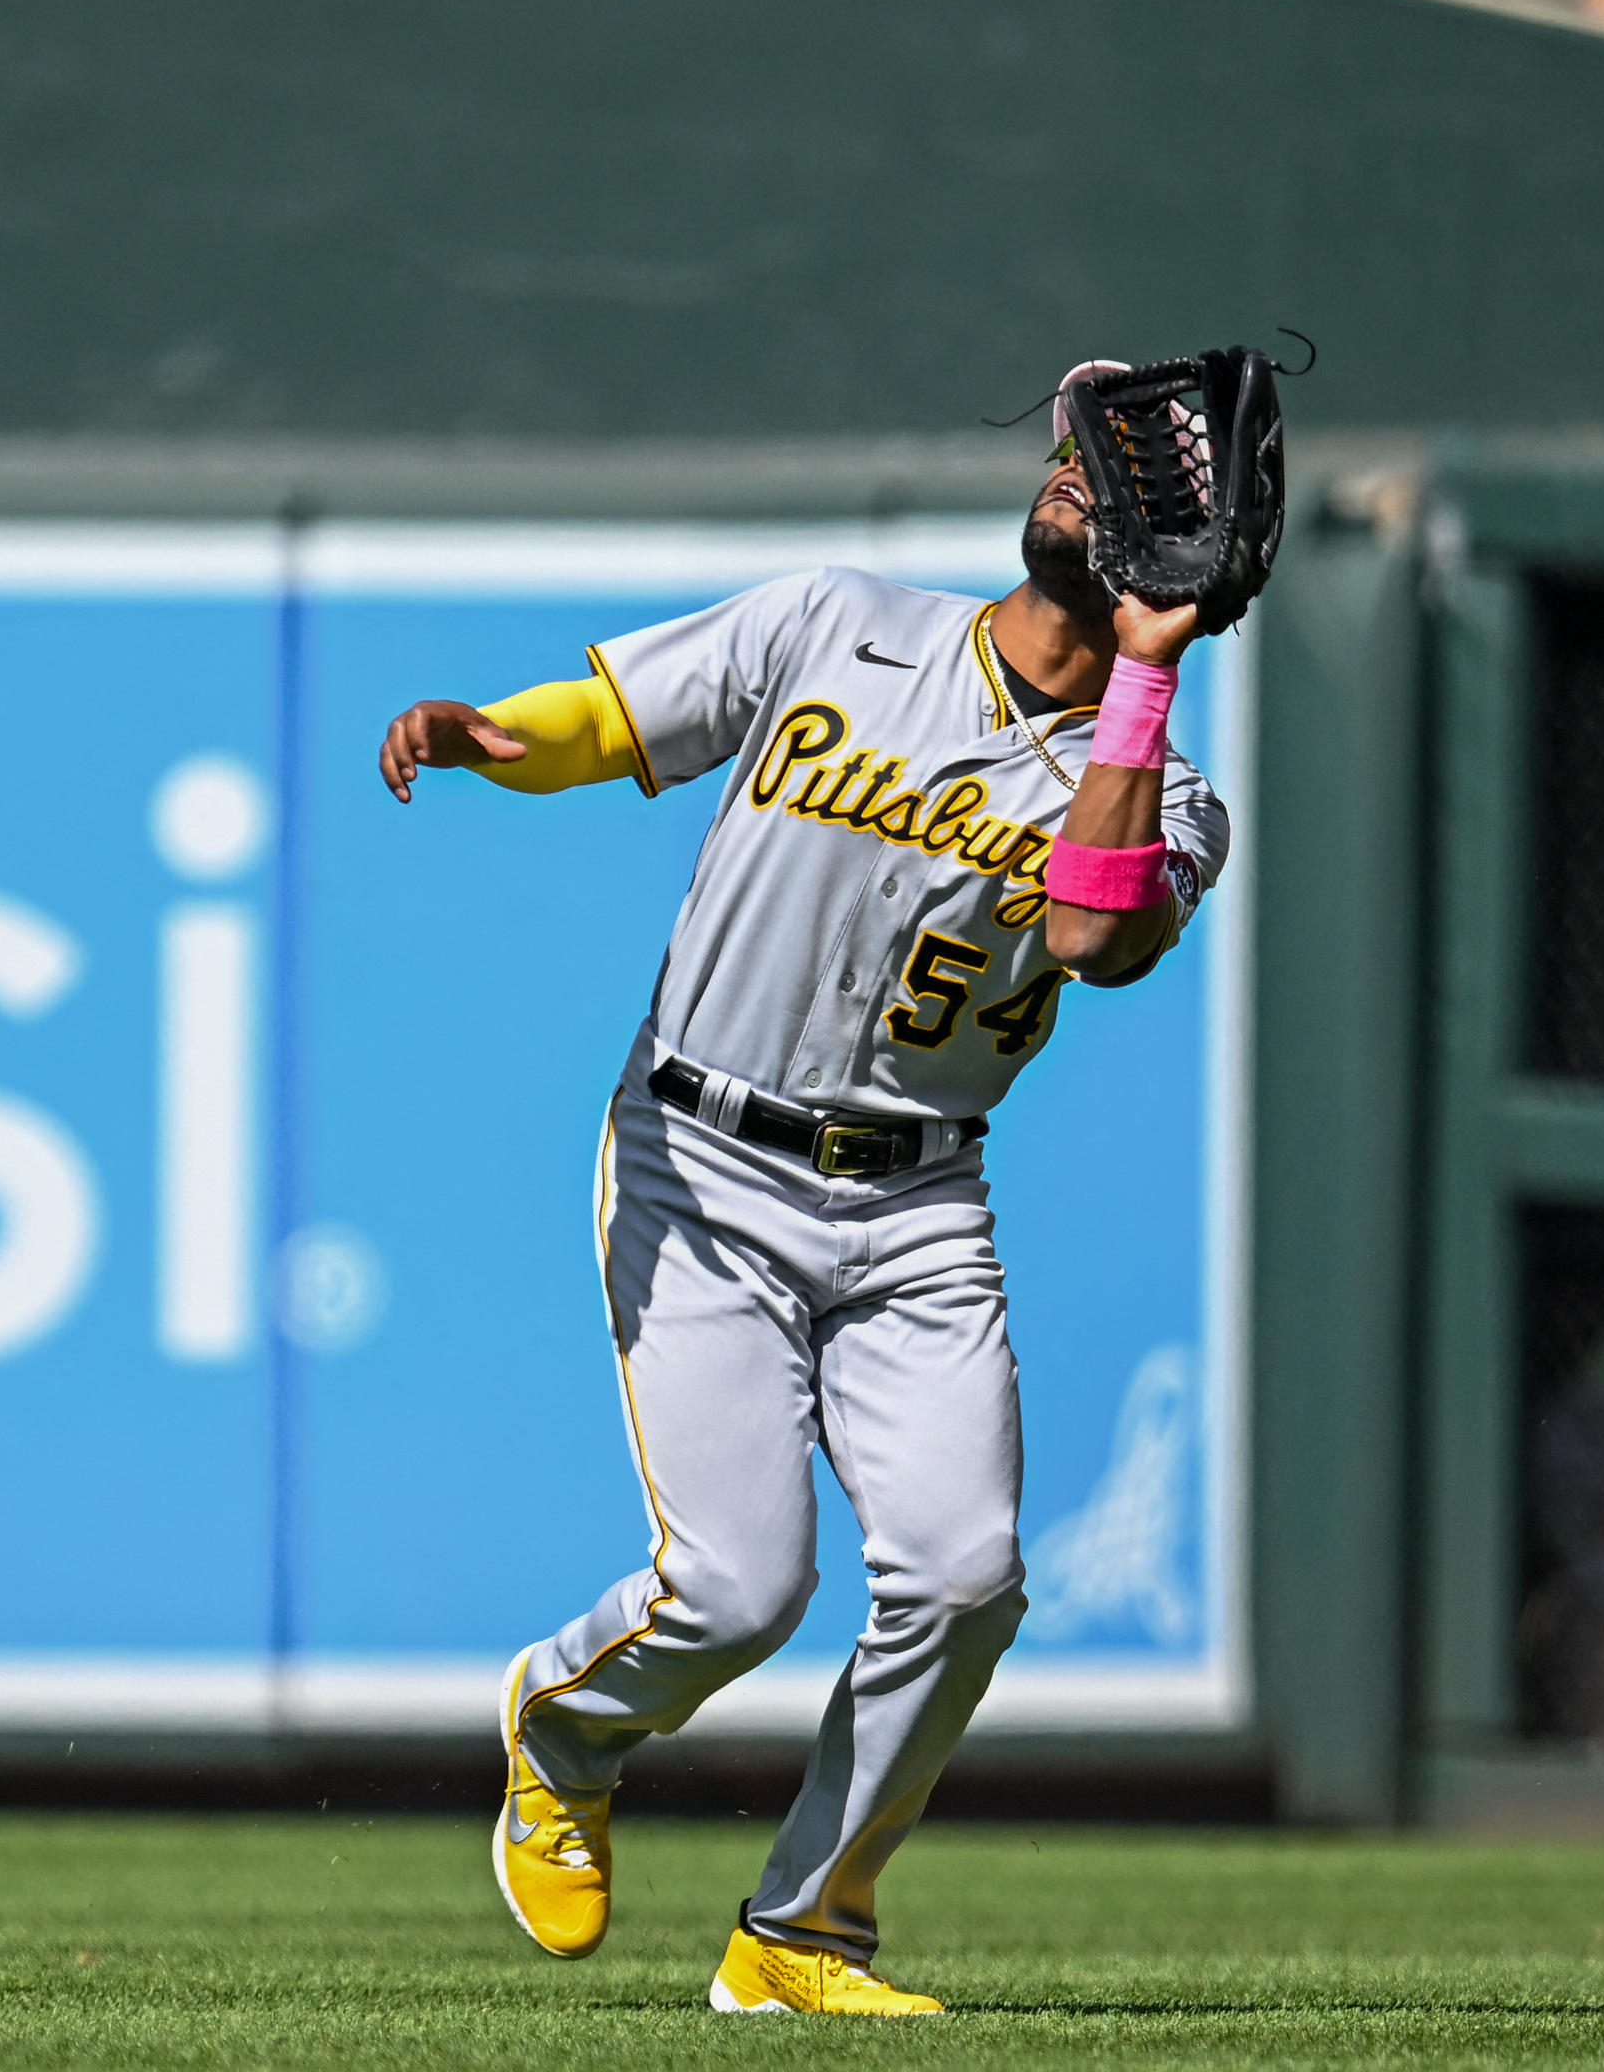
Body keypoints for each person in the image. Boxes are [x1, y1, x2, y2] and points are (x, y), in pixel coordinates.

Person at [378, 374, 1231, 2016]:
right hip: (702, 1158)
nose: (1070, 493)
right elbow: (610, 719)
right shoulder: (838, 622)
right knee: (740, 1590)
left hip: (916, 1207)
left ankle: (800, 1931)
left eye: (1105, 486)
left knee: (966, 1577)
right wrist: (496, 737)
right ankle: (561, 1732)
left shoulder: (1168, 794)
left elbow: (1096, 937)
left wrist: (1146, 671)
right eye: (1065, 469)